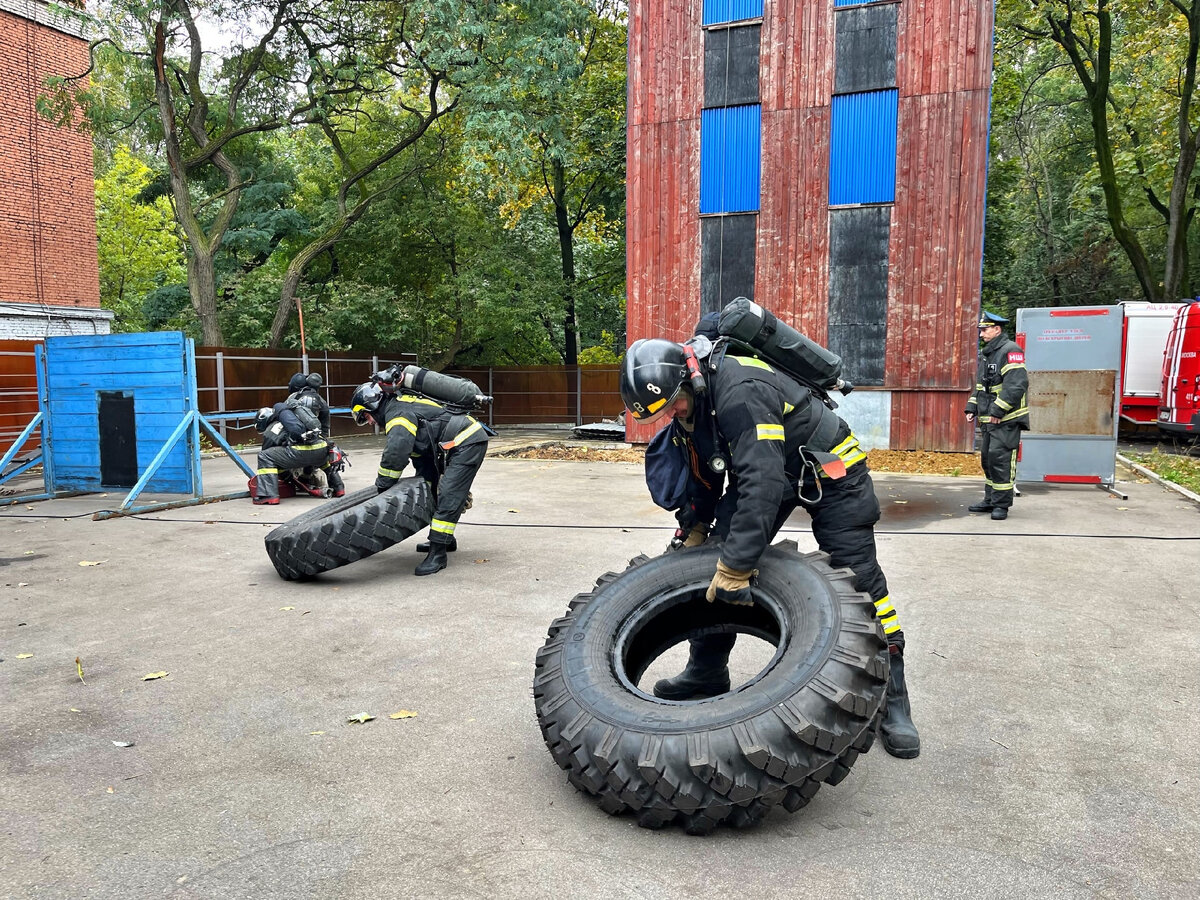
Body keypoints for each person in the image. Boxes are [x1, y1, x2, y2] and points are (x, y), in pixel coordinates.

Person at [620, 335, 920, 759]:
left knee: (862, 584)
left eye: (674, 405)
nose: (672, 414)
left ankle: (893, 699)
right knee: (715, 557)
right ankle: (706, 672)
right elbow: (707, 474)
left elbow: (762, 483)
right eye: (663, 413)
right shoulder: (690, 401)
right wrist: (696, 528)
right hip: (769, 467)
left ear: (689, 380)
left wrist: (737, 566)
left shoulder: (739, 391)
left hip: (831, 469)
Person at [349, 381, 489, 576]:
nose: (370, 422)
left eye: (366, 416)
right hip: (447, 446)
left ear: (373, 404)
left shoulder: (397, 415)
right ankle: (445, 539)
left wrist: (383, 487)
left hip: (468, 441)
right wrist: (426, 481)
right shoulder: (398, 408)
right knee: (431, 488)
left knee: (448, 493)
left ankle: (438, 553)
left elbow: (396, 454)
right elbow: (419, 454)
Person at [965, 311, 1029, 520]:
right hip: (990, 420)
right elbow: (983, 385)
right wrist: (971, 407)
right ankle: (991, 500)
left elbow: (1017, 385)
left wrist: (998, 410)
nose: (981, 334)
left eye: (984, 330)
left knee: (1001, 461)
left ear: (997, 329)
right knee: (989, 460)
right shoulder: (988, 353)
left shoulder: (1011, 351)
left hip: (1006, 419)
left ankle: (1002, 505)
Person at [252, 403, 338, 505]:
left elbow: (268, 453)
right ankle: (338, 487)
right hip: (321, 449)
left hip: (301, 453)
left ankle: (268, 495)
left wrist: (284, 475)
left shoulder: (274, 427)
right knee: (323, 462)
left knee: (264, 456)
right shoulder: (295, 418)